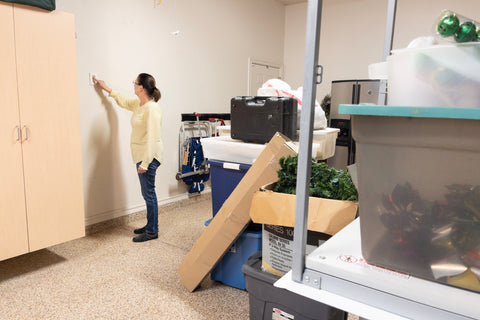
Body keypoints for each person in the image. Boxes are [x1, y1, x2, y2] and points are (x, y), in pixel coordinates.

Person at [94, 73, 163, 243]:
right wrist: (105, 88)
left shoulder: (152, 109)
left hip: (149, 157)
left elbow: (153, 138)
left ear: (141, 87)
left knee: (149, 194)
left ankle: (152, 231)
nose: (133, 85)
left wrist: (146, 163)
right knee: (146, 193)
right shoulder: (140, 104)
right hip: (141, 156)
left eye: (135, 83)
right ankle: (149, 225)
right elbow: (123, 101)